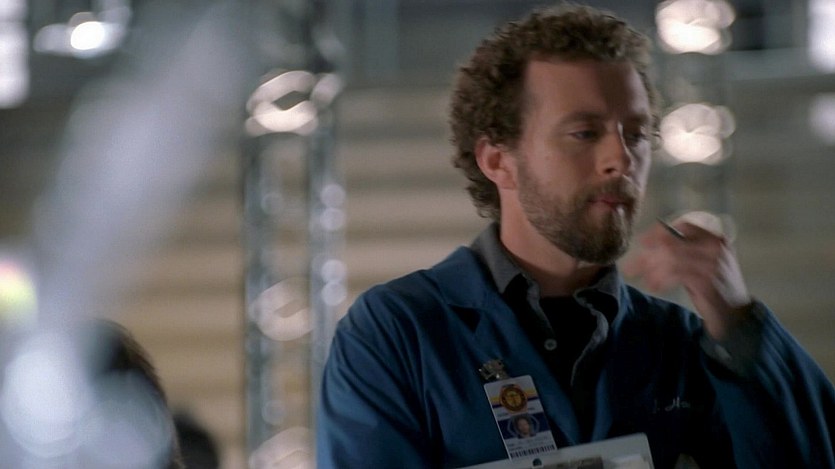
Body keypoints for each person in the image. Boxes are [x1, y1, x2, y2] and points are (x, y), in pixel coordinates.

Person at [317, 4, 835, 468]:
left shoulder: (685, 344)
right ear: (498, 161)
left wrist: (739, 324)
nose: (621, 159)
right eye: (585, 133)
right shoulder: (400, 333)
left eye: (636, 133)